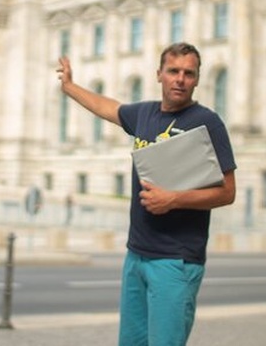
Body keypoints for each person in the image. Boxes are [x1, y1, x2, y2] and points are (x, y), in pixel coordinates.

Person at [57, 42, 236, 346]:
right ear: (159, 74)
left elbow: (227, 192)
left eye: (188, 73)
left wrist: (174, 199)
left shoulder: (207, 122)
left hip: (176, 260)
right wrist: (70, 86)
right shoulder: (144, 114)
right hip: (136, 255)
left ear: (197, 79)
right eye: (173, 71)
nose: (180, 79)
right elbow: (107, 107)